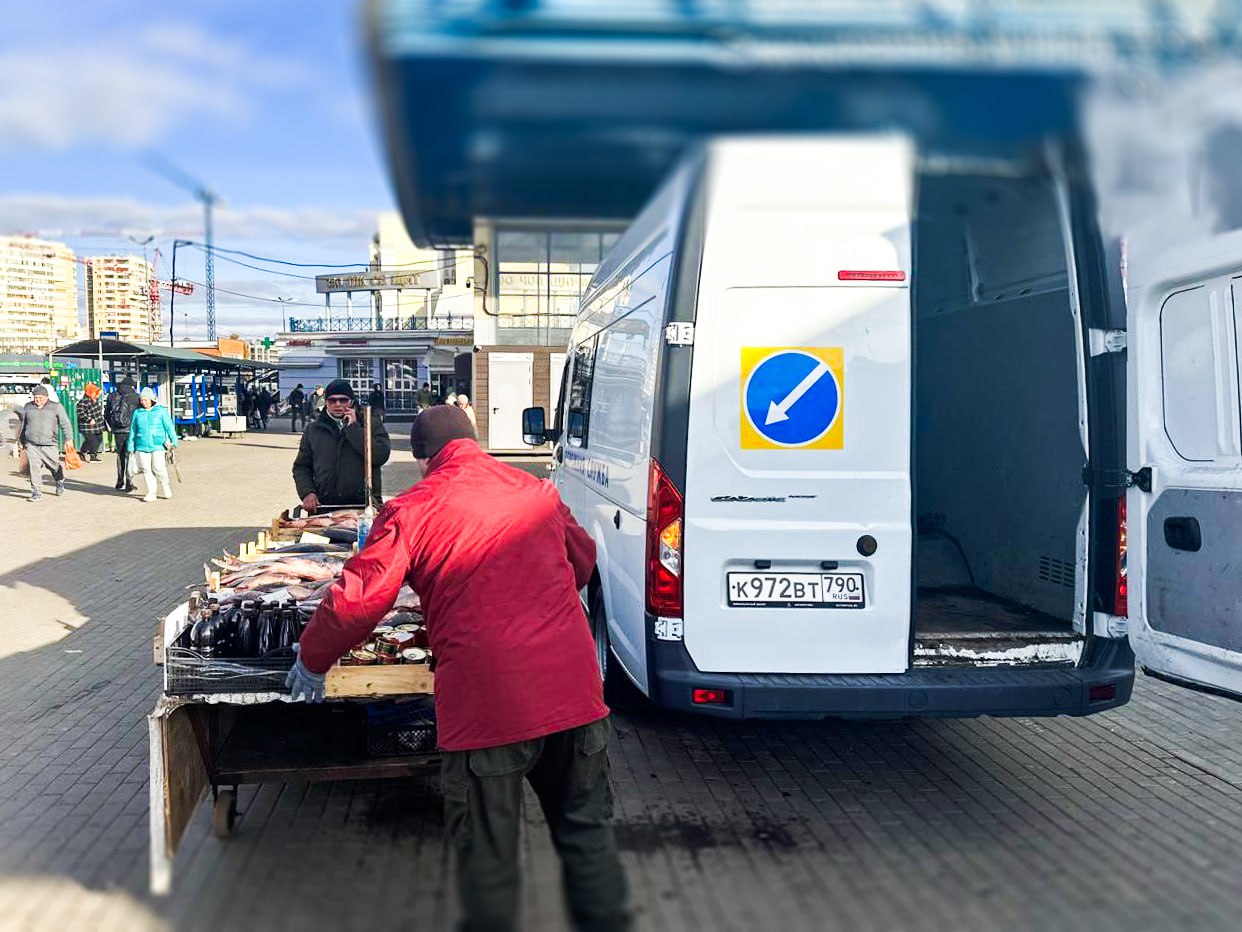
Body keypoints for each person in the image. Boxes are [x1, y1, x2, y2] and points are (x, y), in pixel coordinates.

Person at [288, 406, 629, 932]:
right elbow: (582, 564)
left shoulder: (412, 509)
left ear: (424, 460)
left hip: (487, 709)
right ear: (474, 441)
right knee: (588, 839)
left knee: (488, 861)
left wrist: (312, 658)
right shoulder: (536, 491)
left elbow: (358, 600)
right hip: (575, 698)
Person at [292, 379, 391, 512]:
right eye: (332, 400)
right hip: (325, 506)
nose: (337, 404)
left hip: (364, 505)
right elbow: (302, 466)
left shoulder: (370, 424)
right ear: (326, 402)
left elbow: (380, 455)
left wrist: (354, 429)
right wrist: (307, 492)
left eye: (343, 400)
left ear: (351, 402)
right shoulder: (314, 429)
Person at [17, 384, 71, 502]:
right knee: (34, 468)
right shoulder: (28, 407)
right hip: (32, 444)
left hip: (50, 443)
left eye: (40, 398)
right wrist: (21, 441)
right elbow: (23, 425)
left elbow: (65, 424)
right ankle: (36, 492)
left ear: (46, 397)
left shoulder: (56, 407)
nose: (38, 400)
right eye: (35, 397)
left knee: (53, 466)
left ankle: (59, 480)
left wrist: (69, 439)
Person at [127, 387, 178, 502]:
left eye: (145, 400)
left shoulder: (161, 411)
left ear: (152, 400)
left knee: (158, 468)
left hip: (158, 445)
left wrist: (174, 441)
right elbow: (133, 430)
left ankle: (165, 486)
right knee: (146, 470)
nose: (143, 402)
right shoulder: (137, 413)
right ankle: (151, 492)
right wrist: (131, 445)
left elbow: (169, 427)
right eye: (141, 400)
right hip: (141, 445)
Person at [104, 376, 140, 492]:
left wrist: (113, 426)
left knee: (120, 455)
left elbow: (106, 413)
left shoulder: (112, 396)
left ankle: (119, 480)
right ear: (132, 385)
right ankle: (129, 481)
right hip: (131, 430)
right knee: (129, 455)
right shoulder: (136, 397)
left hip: (118, 430)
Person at [76, 383, 104, 462]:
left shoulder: (95, 400)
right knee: (90, 440)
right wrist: (89, 419)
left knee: (99, 438)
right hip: (87, 426)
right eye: (95, 392)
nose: (97, 394)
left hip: (97, 425)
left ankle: (93, 455)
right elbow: (80, 412)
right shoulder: (83, 401)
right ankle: (82, 452)